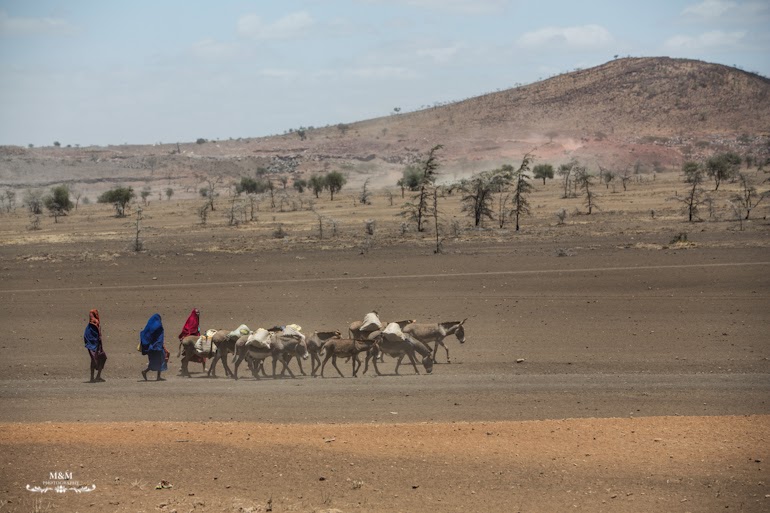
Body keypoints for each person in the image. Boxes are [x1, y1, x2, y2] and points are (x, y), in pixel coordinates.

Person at [140, 313, 166, 381]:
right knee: (159, 360)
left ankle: (158, 376)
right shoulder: (159, 326)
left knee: (157, 361)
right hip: (157, 347)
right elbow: (159, 337)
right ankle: (145, 372)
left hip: (152, 347)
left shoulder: (150, 326)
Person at [83, 309, 107, 383]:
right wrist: (92, 344)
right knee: (94, 360)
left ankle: (97, 376)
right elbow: (87, 336)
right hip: (93, 346)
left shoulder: (95, 323)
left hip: (97, 345)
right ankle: (92, 378)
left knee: (102, 358)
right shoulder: (91, 325)